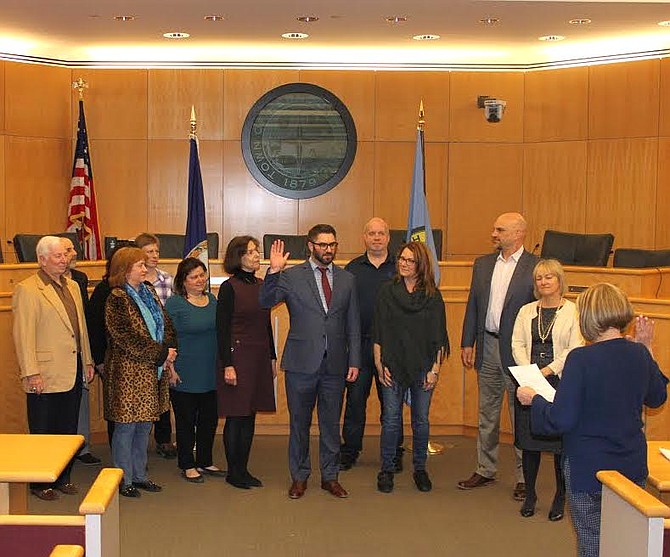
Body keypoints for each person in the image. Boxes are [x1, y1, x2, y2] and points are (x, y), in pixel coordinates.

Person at [517, 283, 668, 557]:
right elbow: (657, 398)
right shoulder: (638, 352)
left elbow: (561, 419)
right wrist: (647, 349)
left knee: (592, 541)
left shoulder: (580, 359)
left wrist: (534, 400)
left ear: (587, 317)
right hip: (631, 465)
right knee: (628, 541)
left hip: (588, 467)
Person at [259, 224, 361, 500]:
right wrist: (273, 271)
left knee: (331, 425)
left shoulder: (347, 279)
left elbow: (353, 323)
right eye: (323, 245)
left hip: (335, 366)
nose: (328, 250)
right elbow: (266, 301)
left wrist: (355, 360)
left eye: (332, 245)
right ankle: (299, 477)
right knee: (299, 424)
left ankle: (331, 477)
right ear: (311, 245)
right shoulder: (291, 276)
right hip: (301, 364)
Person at [458, 212, 538, 501]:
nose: (493, 234)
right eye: (494, 229)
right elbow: (473, 305)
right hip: (487, 347)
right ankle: (485, 468)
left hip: (520, 353)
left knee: (521, 417)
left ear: (518, 234)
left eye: (500, 229)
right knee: (487, 413)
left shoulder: (535, 267)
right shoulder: (482, 265)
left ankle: (523, 476)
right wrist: (468, 342)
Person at [12, 236, 95, 500]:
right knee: (43, 431)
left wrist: (89, 361)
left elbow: (81, 329)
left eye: (65, 255)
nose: (64, 260)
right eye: (58, 256)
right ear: (42, 259)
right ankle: (39, 483)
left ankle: (63, 477)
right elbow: (23, 335)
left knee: (67, 429)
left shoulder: (72, 285)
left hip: (73, 369)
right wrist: (31, 372)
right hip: (44, 374)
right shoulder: (28, 289)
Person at [373, 241, 449, 493]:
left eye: (409, 260)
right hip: (392, 365)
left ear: (421, 265)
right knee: (392, 420)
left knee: (421, 420)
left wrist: (435, 368)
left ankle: (420, 469)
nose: (403, 264)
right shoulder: (387, 291)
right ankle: (386, 469)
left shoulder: (432, 295)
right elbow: (379, 332)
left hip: (423, 366)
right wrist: (378, 362)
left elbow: (439, 336)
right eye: (401, 259)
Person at [511, 259, 582, 520]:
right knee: (529, 442)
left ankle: (559, 497)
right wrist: (529, 372)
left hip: (560, 382)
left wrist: (548, 371)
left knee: (558, 446)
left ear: (560, 281)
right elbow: (516, 344)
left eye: (549, 277)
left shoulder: (572, 311)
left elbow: (575, 347)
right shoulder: (526, 310)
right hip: (528, 383)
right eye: (539, 278)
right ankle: (530, 494)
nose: (543, 282)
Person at [104, 247, 177, 498]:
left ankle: (140, 475)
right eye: (139, 266)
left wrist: (168, 349)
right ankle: (123, 479)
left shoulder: (148, 291)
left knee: (145, 425)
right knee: (127, 427)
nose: (145, 270)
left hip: (151, 371)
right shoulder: (116, 297)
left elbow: (165, 324)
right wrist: (160, 354)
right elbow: (125, 337)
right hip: (127, 372)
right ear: (125, 270)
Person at [340, 217, 400, 471]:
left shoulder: (401, 267)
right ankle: (350, 450)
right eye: (371, 233)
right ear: (364, 237)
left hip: (393, 347)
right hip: (359, 346)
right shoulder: (352, 269)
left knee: (392, 405)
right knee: (355, 402)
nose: (376, 238)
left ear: (388, 237)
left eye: (381, 233)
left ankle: (394, 452)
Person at [217, 236, 277, 489]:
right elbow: (222, 328)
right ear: (238, 257)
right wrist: (227, 364)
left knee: (250, 415)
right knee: (236, 416)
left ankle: (244, 468)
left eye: (257, 251)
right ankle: (234, 471)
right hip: (238, 357)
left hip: (260, 355)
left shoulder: (262, 285)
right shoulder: (229, 287)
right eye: (251, 252)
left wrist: (272, 356)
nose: (256, 256)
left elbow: (266, 323)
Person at [166, 258, 224, 483]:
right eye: (194, 277)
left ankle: (205, 460)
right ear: (183, 280)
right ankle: (187, 464)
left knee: (209, 420)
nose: (200, 280)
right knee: (186, 420)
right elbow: (166, 337)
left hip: (210, 370)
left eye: (202, 275)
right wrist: (170, 368)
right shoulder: (174, 303)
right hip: (184, 371)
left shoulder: (212, 300)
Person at [134, 232, 177, 459]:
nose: (154, 256)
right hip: (142, 346)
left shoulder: (166, 280)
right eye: (149, 252)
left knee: (163, 394)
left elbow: (171, 316)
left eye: (157, 251)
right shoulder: (132, 282)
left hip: (164, 344)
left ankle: (163, 439)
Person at [60, 236, 102, 466]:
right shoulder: (37, 285)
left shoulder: (79, 279)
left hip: (80, 350)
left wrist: (89, 354)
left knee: (83, 399)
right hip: (58, 356)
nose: (74, 253)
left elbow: (84, 318)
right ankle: (60, 454)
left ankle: (82, 447)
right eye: (68, 250)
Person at [86, 244, 127, 447]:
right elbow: (94, 328)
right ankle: (119, 458)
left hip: (138, 364)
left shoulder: (143, 289)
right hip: (112, 362)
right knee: (118, 413)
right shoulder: (105, 290)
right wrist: (100, 360)